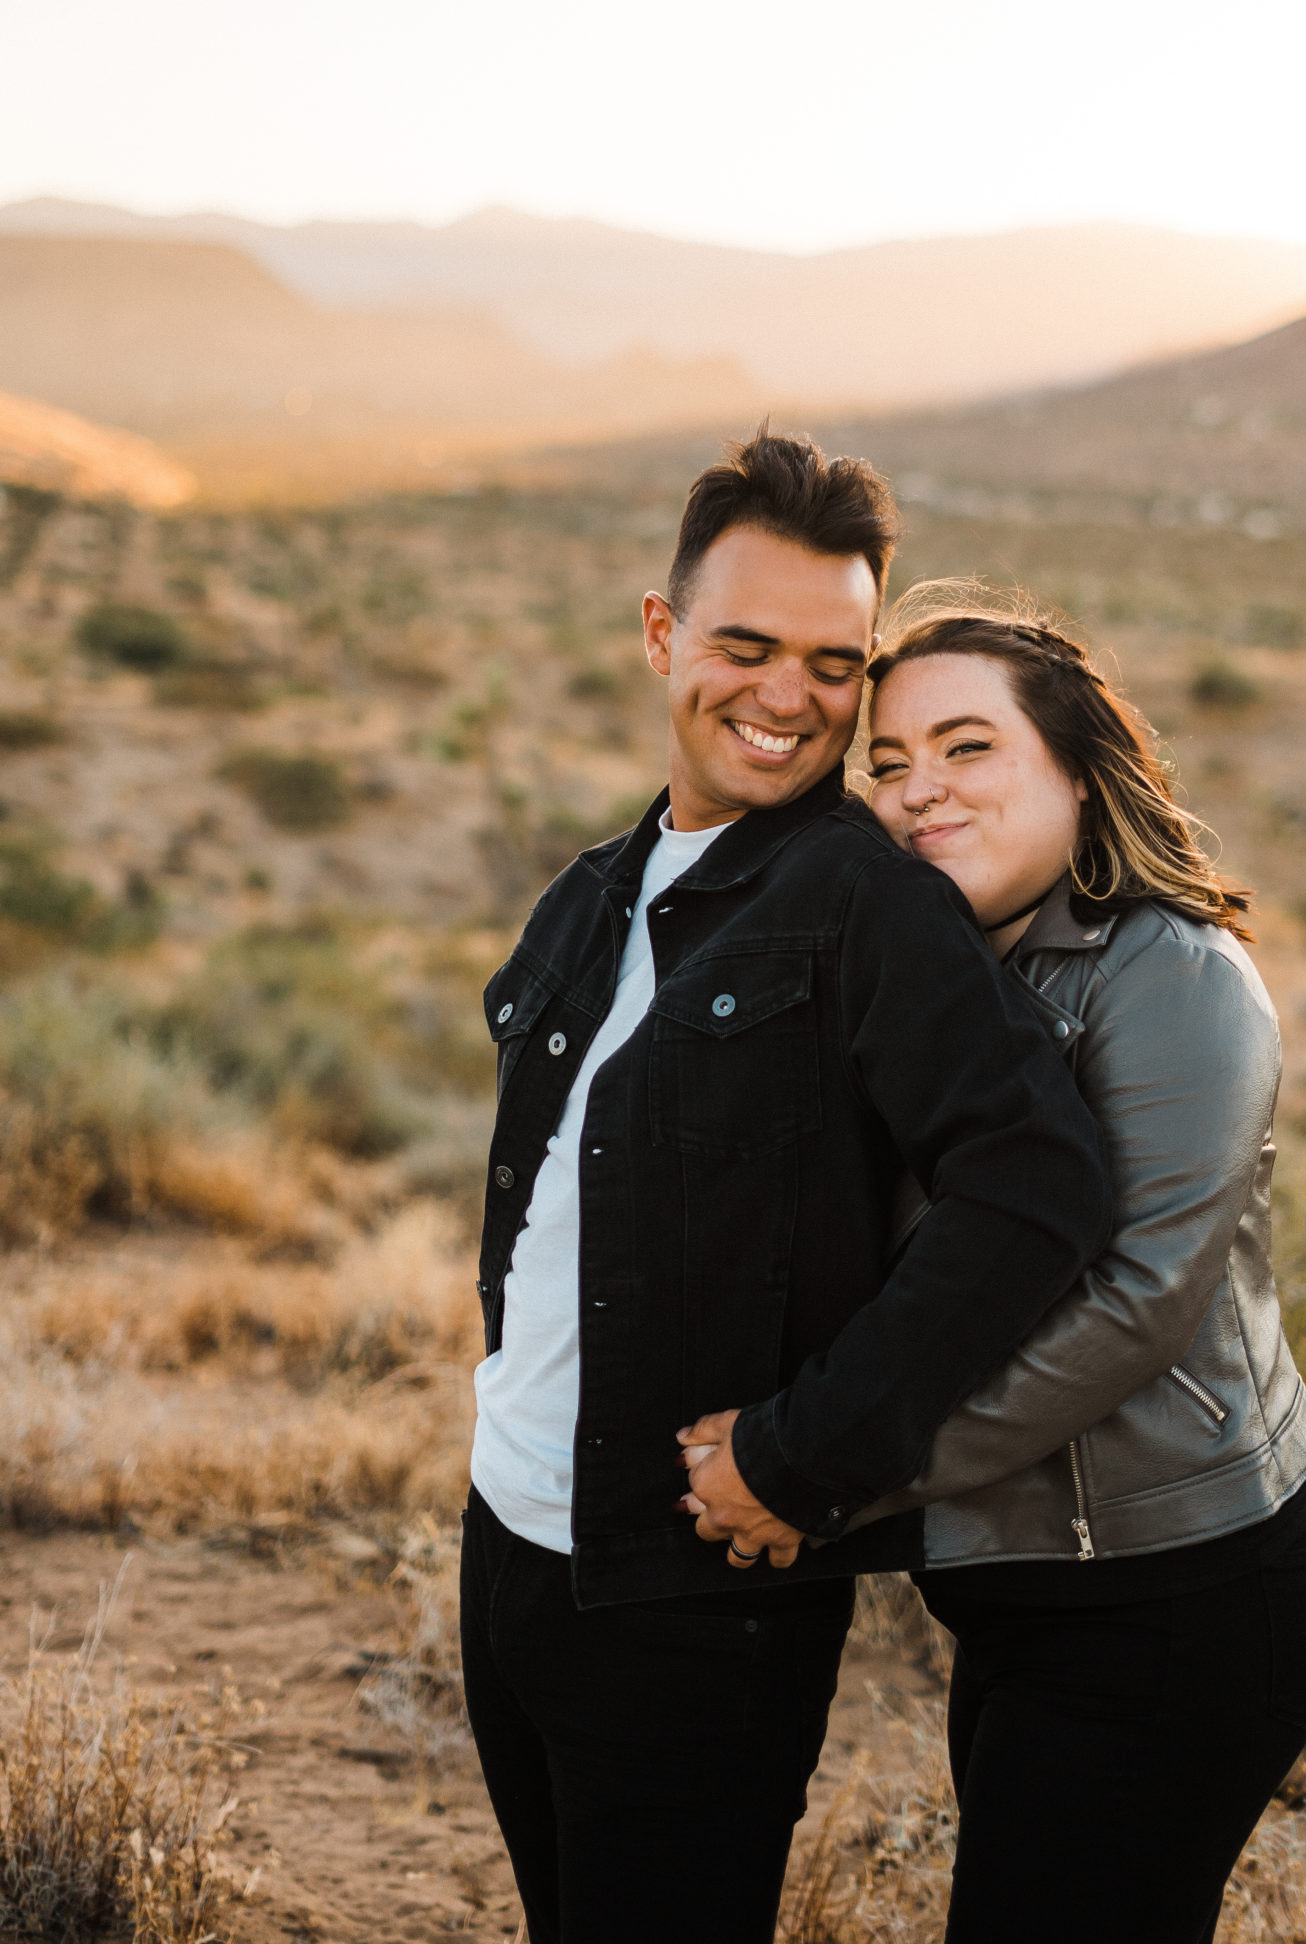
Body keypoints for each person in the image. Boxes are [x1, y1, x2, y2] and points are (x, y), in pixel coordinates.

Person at [460, 438, 1111, 1944]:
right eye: (745, 645)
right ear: (660, 635)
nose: (787, 696)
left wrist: (809, 1456)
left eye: (835, 662)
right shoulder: (597, 888)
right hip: (510, 1539)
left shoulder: (859, 899)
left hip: (690, 1596)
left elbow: (1038, 1185)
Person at [853, 584, 1306, 1944]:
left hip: (1175, 1601)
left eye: (965, 748)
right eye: (886, 762)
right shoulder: (945, 979)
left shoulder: (1174, 978)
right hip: (1023, 1585)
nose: (916, 790)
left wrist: (838, 1473)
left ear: (1077, 772)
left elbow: (1136, 1302)